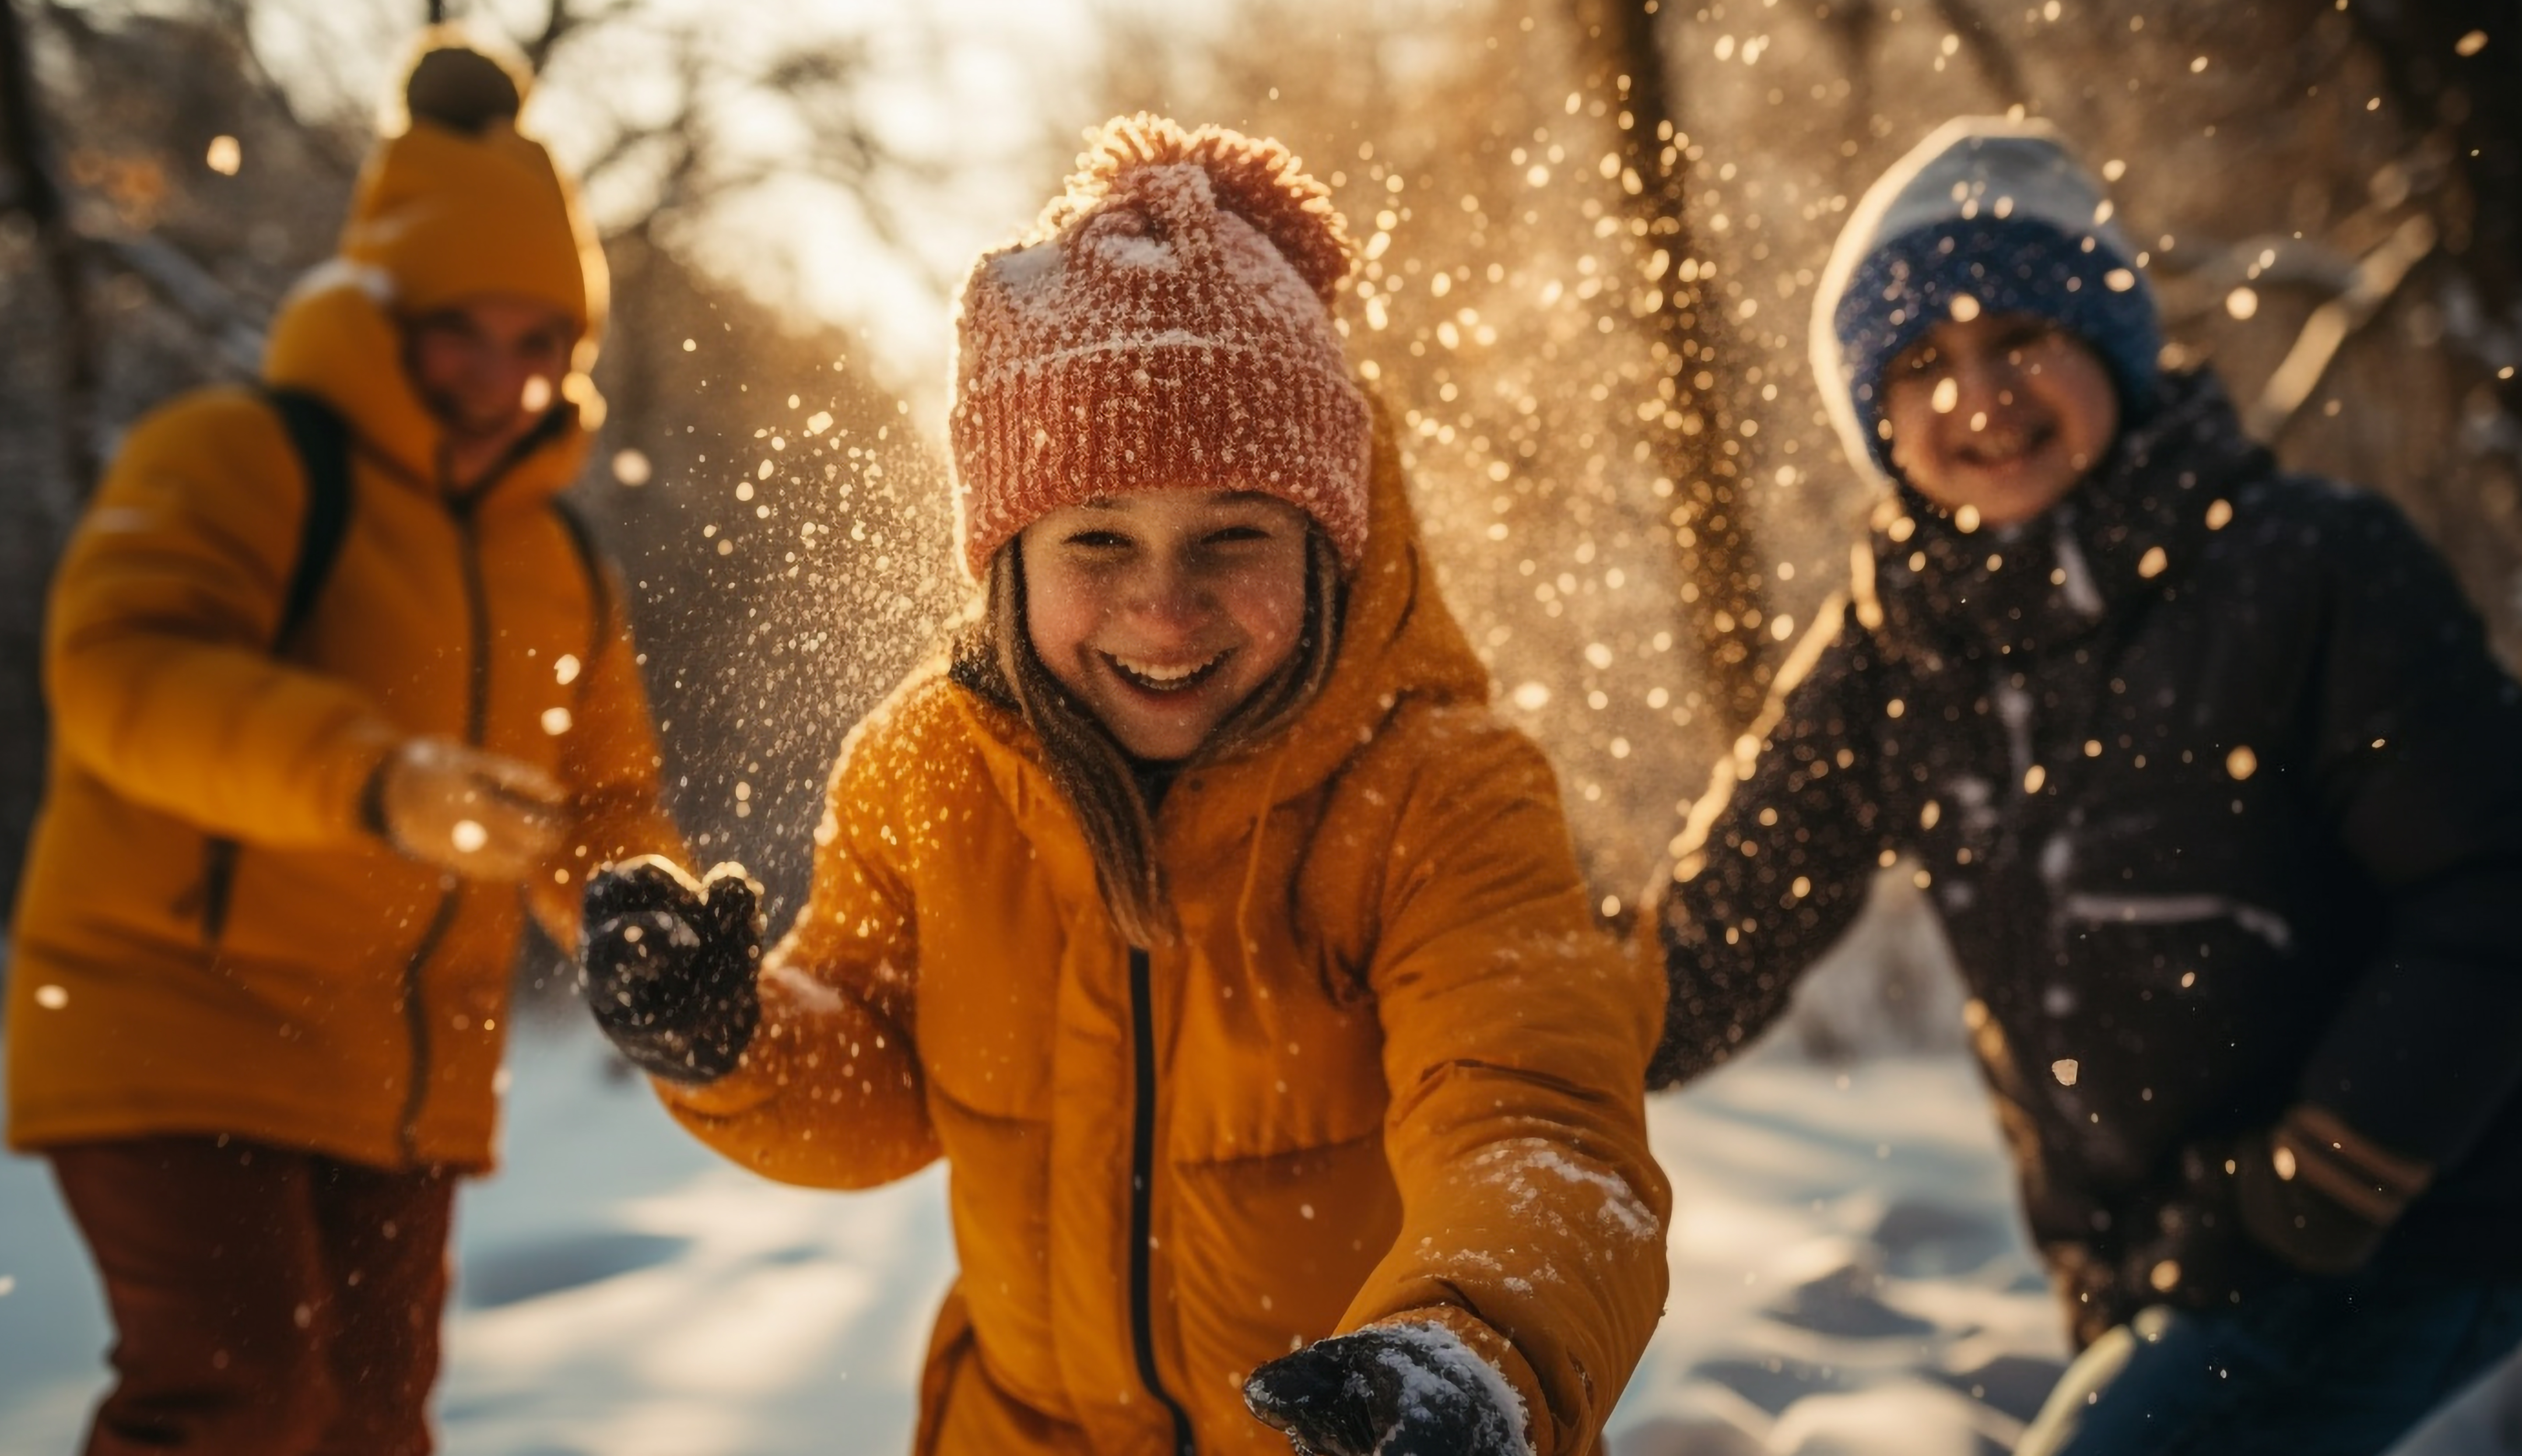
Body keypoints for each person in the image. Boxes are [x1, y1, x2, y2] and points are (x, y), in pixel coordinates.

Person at [576, 115, 1670, 1456]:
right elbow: (874, 1075)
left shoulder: (1442, 795)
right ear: (1007, 562)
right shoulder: (929, 773)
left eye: (1233, 535)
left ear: (1330, 547)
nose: (1165, 610)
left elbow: (1537, 1126)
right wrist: (734, 1036)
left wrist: (1470, 1348)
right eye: (1099, 537)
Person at [1644, 116, 2522, 1455]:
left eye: (2019, 339)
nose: (1977, 396)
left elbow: (2490, 886)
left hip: (2417, 1241)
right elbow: (1705, 949)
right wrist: (1490, 1002)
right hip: (2156, 1275)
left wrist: (2332, 1170)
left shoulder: (2308, 569)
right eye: (1922, 364)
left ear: (2110, 344)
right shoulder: (1901, 651)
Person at [4, 37, 679, 1456]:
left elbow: (605, 801)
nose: (502, 376)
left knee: (371, 1428)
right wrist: (379, 779)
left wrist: (641, 917)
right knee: (237, 1405)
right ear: (385, 311)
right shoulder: (238, 457)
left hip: (401, 1072)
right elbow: (126, 674)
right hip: (176, 1013)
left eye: (538, 343)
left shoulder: (559, 557)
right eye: (463, 332)